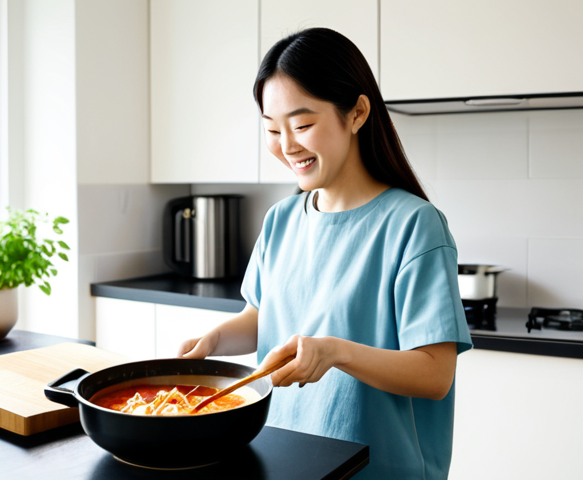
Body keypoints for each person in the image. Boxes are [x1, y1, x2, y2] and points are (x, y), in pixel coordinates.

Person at [178, 28, 472, 480]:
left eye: (302, 125)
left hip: (377, 469)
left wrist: (335, 352)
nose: (287, 145)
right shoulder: (280, 219)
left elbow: (434, 375)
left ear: (357, 113)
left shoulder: (414, 225)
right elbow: (263, 316)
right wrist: (215, 341)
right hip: (281, 457)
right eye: (273, 130)